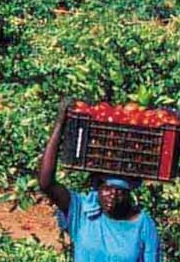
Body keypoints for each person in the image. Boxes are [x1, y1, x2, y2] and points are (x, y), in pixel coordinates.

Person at [38, 101, 160, 262]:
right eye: (107, 189)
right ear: (97, 188)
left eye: (120, 191)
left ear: (129, 193)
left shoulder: (143, 225)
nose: (113, 195)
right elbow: (46, 183)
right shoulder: (83, 211)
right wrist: (60, 125)